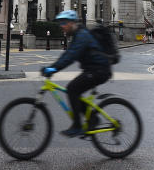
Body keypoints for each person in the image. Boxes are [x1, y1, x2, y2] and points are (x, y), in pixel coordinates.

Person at [41, 10, 112, 138]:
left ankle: (78, 126)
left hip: (99, 70)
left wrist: (53, 69)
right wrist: (52, 67)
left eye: (64, 23)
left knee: (72, 89)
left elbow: (71, 56)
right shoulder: (77, 34)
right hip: (94, 69)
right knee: (75, 90)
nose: (62, 26)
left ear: (72, 23)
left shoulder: (82, 35)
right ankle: (92, 119)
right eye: (60, 23)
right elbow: (67, 54)